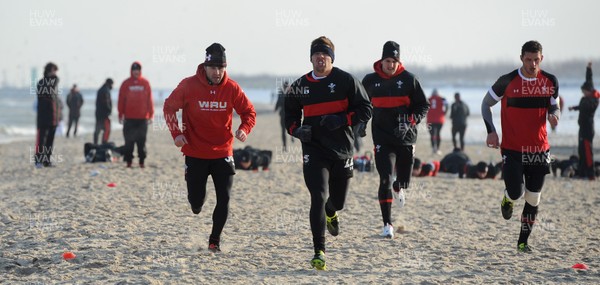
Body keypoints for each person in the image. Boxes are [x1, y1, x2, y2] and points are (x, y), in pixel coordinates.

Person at [285, 36, 372, 270]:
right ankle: (319, 251)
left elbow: (366, 109)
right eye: (316, 54)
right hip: (314, 150)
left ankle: (332, 212)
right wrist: (296, 130)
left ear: (331, 58)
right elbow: (290, 116)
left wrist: (342, 119)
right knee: (318, 196)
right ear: (311, 58)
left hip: (342, 149)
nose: (320, 58)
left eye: (324, 54)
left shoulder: (346, 81)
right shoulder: (300, 85)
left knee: (337, 201)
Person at [163, 43, 256, 253]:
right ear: (204, 66)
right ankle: (197, 204)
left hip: (223, 151)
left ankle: (214, 241)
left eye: (221, 67)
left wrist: (244, 129)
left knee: (225, 197)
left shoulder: (232, 88)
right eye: (213, 67)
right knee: (196, 202)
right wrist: (176, 133)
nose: (217, 72)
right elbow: (169, 107)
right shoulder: (188, 86)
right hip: (195, 152)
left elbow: (249, 113)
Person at [482, 40, 560, 253]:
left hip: (540, 150)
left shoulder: (550, 81)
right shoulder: (507, 81)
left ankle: (522, 242)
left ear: (541, 58)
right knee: (516, 193)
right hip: (513, 149)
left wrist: (554, 116)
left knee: (533, 198)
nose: (532, 64)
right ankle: (508, 198)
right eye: (528, 59)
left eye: (536, 60)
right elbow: (486, 104)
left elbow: (555, 106)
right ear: (521, 58)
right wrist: (491, 130)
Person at [362, 40, 429, 239]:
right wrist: (360, 124)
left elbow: (422, 106)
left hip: (405, 138)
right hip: (382, 138)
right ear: (381, 61)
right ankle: (387, 225)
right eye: (387, 61)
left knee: (404, 181)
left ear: (399, 61)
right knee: (384, 179)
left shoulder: (410, 80)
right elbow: (361, 105)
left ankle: (399, 187)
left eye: (394, 61)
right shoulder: (370, 81)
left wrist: (409, 122)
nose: (390, 65)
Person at [118, 61, 154, 168]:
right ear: (131, 71)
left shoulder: (145, 83)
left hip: (142, 119)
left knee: (141, 142)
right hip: (129, 119)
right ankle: (129, 162)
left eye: (137, 70)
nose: (136, 72)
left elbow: (150, 100)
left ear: (140, 71)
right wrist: (120, 114)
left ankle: (141, 162)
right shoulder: (126, 83)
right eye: (134, 70)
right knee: (129, 142)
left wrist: (151, 114)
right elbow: (121, 100)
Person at [568, 62, 599, 180]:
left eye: (584, 91)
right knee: (581, 151)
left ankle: (591, 174)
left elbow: (585, 107)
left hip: (588, 129)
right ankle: (582, 173)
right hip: (582, 128)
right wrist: (588, 69)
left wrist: (576, 107)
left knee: (587, 151)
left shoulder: (593, 100)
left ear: (589, 91)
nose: (583, 93)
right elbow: (589, 80)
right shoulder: (587, 96)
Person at [35, 62, 61, 167]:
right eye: (54, 70)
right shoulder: (41, 83)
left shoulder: (53, 85)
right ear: (49, 70)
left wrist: (58, 117)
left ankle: (47, 161)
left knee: (50, 141)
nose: (55, 73)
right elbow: (51, 87)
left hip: (53, 118)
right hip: (43, 118)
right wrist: (52, 77)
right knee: (41, 141)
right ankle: (38, 161)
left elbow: (55, 83)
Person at [427, 89, 447, 155]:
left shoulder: (428, 99)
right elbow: (446, 106)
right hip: (439, 119)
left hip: (430, 119)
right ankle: (437, 149)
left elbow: (423, 107)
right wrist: (444, 113)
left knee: (432, 134)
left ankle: (433, 148)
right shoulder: (442, 99)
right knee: (438, 133)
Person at [274, 81, 293, 150]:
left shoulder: (285, 93)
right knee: (288, 129)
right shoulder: (290, 93)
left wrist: (275, 109)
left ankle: (285, 145)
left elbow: (278, 102)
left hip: (286, 115)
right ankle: (285, 145)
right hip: (288, 115)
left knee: (284, 131)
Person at [94, 78, 113, 145]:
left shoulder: (100, 90)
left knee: (97, 130)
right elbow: (106, 102)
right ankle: (103, 143)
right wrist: (109, 110)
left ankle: (95, 143)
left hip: (98, 113)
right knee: (107, 130)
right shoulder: (105, 91)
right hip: (104, 114)